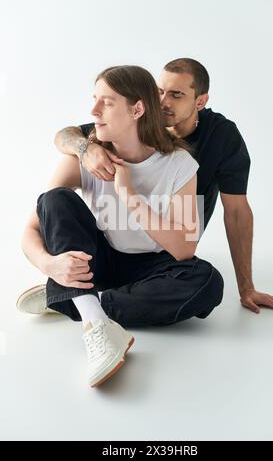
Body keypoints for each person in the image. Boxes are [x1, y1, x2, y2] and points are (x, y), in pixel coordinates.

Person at [18, 65, 224, 387]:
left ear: (137, 109)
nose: (94, 110)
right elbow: (32, 229)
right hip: (99, 258)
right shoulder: (83, 157)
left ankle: (74, 302)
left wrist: (129, 196)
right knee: (54, 198)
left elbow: (185, 248)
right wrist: (50, 265)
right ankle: (95, 323)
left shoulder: (180, 164)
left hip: (152, 266)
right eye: (95, 100)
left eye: (107, 102)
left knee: (207, 282)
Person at [53, 58, 273, 315]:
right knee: (55, 199)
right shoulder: (135, 120)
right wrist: (85, 149)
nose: (163, 102)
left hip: (170, 248)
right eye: (159, 92)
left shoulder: (220, 137)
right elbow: (66, 135)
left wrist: (247, 288)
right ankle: (85, 299)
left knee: (207, 282)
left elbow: (236, 212)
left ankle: (81, 301)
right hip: (113, 243)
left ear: (200, 101)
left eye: (177, 95)